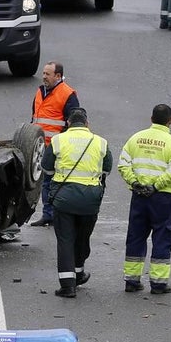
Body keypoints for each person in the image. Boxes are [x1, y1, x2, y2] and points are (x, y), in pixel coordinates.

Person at [42, 108, 111, 298]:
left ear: (69, 123)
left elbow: (46, 167)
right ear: (87, 124)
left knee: (65, 240)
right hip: (90, 200)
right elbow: (107, 168)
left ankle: (67, 285)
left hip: (64, 198)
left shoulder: (58, 140)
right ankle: (78, 273)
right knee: (82, 237)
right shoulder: (100, 142)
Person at [117, 104, 171, 293]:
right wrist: (155, 186)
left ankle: (131, 281)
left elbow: (123, 165)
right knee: (163, 236)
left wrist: (136, 183)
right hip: (162, 198)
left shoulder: (135, 138)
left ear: (151, 119)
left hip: (139, 196)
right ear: (170, 121)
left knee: (136, 235)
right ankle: (159, 284)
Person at [29, 61, 80, 227]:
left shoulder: (67, 94)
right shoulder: (40, 91)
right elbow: (35, 117)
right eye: (43, 73)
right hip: (40, 146)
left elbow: (73, 123)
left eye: (47, 74)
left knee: (50, 181)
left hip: (57, 147)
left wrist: (63, 145)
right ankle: (49, 215)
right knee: (46, 181)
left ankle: (52, 215)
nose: (44, 77)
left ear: (58, 76)